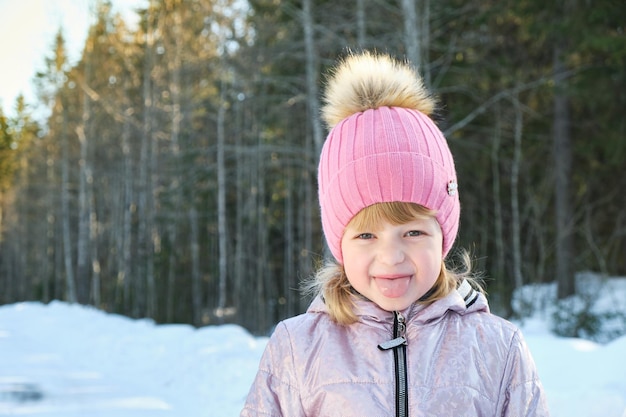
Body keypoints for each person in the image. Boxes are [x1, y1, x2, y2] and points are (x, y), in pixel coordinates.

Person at [241, 51, 549, 417]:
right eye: (366, 236)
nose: (391, 257)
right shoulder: (297, 348)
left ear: (443, 234)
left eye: (413, 232)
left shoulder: (498, 347)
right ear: (338, 240)